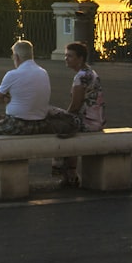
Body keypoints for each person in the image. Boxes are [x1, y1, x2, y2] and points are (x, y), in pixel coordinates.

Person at [47, 42, 105, 188]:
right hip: (96, 120)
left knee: (51, 118)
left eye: (70, 56)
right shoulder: (91, 72)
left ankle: (64, 170)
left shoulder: (80, 77)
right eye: (66, 55)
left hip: (86, 121)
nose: (66, 58)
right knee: (61, 123)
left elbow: (75, 105)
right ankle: (70, 174)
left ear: (80, 58)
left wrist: (64, 117)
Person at [0, 40, 52, 136]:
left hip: (18, 124)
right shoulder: (43, 72)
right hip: (41, 123)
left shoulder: (12, 75)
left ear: (16, 57)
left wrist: (7, 99)